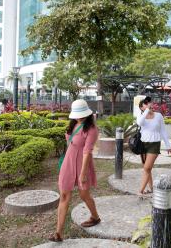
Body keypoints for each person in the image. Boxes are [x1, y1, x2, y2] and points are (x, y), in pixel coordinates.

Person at [50, 99, 100, 242]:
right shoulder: (73, 124)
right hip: (69, 161)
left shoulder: (91, 129)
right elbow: (70, 142)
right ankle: (58, 233)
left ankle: (95, 217)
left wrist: (83, 173)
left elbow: (87, 151)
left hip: (83, 164)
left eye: (80, 114)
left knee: (84, 195)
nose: (78, 116)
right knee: (64, 194)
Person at [137, 97, 171, 197]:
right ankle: (151, 188)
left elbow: (163, 131)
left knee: (147, 167)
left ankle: (140, 191)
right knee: (146, 169)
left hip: (154, 144)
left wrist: (168, 146)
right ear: (141, 107)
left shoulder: (158, 116)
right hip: (143, 144)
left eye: (149, 102)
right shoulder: (141, 116)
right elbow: (139, 123)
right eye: (145, 103)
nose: (149, 104)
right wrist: (146, 111)